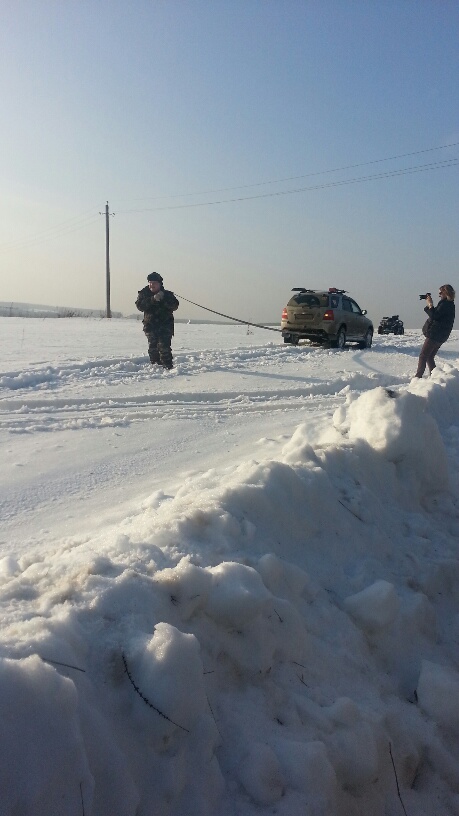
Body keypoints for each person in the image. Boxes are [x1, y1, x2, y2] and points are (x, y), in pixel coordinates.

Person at [135, 272, 179, 369]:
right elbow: (140, 306)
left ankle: (168, 366)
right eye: (150, 283)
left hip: (165, 325)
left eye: (154, 283)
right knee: (153, 348)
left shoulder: (167, 294)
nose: (152, 285)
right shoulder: (144, 293)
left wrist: (164, 299)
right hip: (150, 325)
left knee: (164, 347)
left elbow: (175, 306)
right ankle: (156, 367)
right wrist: (152, 299)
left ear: (159, 284)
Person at [415, 284, 455, 378]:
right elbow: (436, 314)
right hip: (441, 336)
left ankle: (418, 377)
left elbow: (434, 316)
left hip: (435, 335)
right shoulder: (449, 304)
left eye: (441, 292)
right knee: (429, 357)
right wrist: (430, 305)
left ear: (446, 292)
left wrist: (430, 304)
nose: (439, 295)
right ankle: (435, 376)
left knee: (423, 356)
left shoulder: (445, 304)